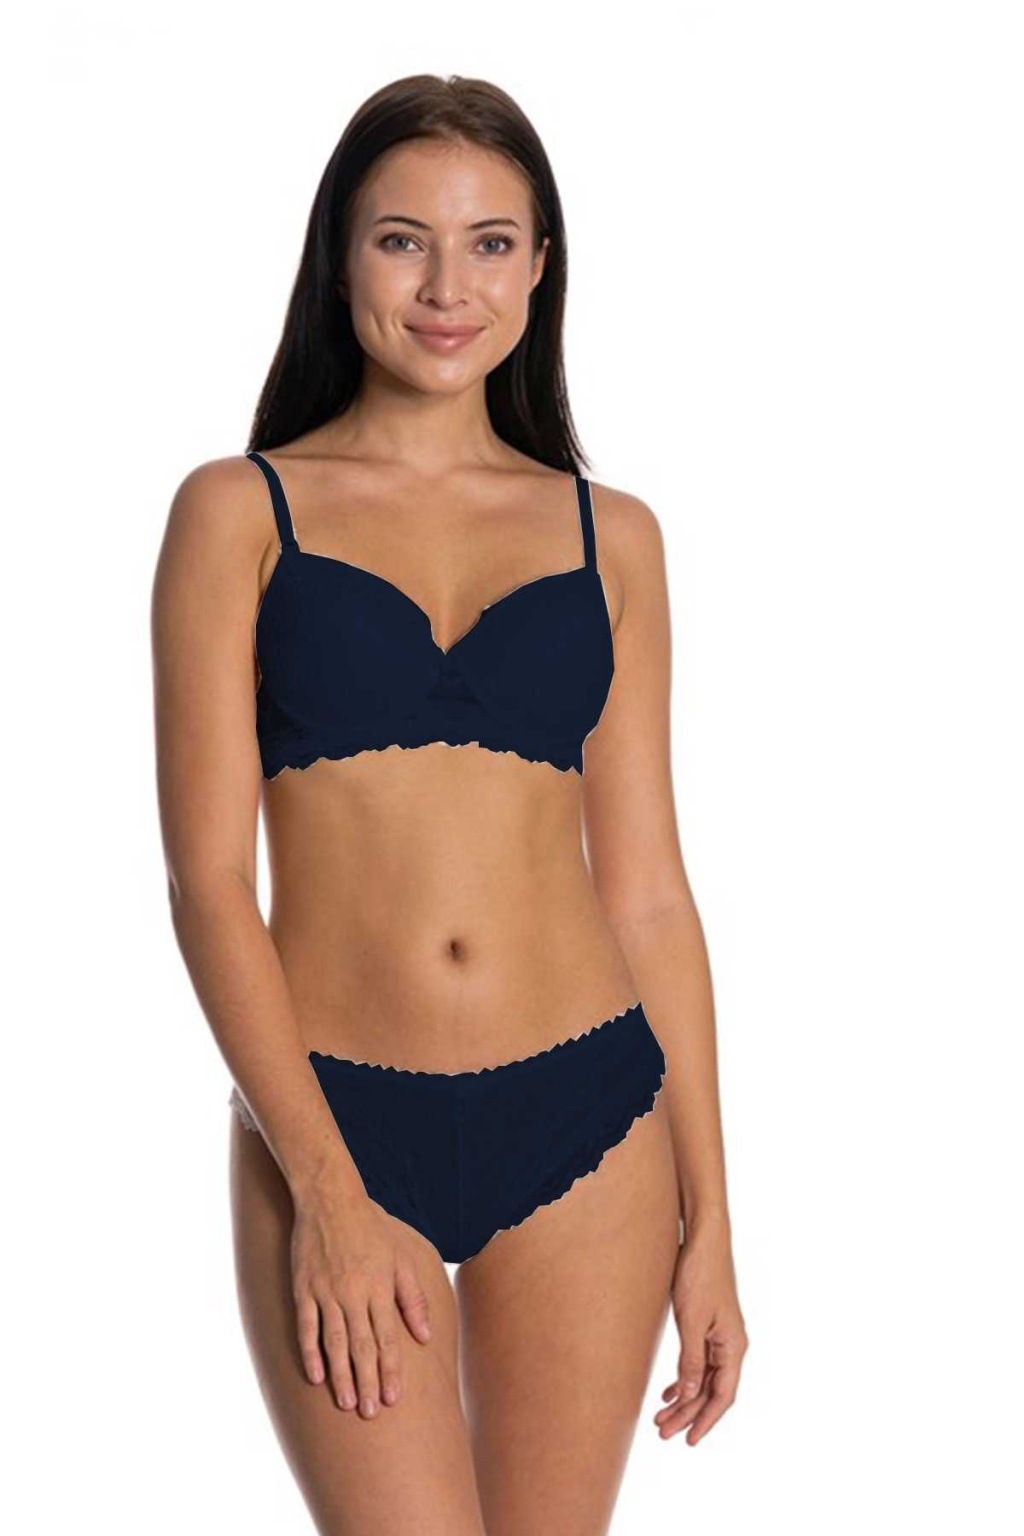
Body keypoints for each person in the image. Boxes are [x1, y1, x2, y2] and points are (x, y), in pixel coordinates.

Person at [152, 72, 747, 1536]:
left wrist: (714, 1220)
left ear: (540, 267)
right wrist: (327, 1194)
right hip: (335, 1119)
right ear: (339, 257)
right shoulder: (239, 511)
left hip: (595, 1119)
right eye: (401, 240)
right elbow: (209, 884)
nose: (445, 288)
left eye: (490, 244)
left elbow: (648, 892)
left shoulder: (612, 536)